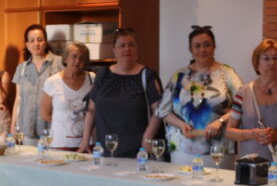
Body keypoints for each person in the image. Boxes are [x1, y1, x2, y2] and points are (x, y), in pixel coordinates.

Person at [158, 25, 243, 167]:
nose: (202, 49)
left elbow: (242, 105)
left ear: (214, 47)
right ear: (191, 49)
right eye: (197, 46)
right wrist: (181, 125)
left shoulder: (227, 73)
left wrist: (220, 121)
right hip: (182, 148)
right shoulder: (180, 76)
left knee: (218, 181)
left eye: (207, 45)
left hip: (219, 148)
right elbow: (163, 111)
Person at [226, 38, 277, 169]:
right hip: (249, 167)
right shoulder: (243, 92)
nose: (272, 63)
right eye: (266, 58)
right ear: (257, 64)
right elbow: (230, 131)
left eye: (276, 58)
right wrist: (252, 134)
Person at [78, 28, 162, 158]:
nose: (127, 49)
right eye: (122, 45)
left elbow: (158, 111)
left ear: (137, 49)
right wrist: (85, 141)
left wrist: (148, 138)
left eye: (131, 45)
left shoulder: (147, 75)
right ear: (114, 50)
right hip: (105, 150)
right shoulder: (102, 75)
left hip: (138, 152)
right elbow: (91, 110)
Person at [11, 24, 61, 144]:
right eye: (32, 40)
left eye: (40, 39)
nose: (36, 44)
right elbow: (18, 99)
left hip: (52, 130)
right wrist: (13, 125)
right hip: (27, 130)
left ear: (45, 42)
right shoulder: (21, 68)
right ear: (27, 44)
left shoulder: (59, 63)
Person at [41, 42, 95, 151]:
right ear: (65, 59)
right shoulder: (52, 81)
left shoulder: (92, 79)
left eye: (82, 58)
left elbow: (96, 111)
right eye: (74, 56)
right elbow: (45, 114)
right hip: (60, 143)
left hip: (87, 143)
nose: (77, 61)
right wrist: (65, 125)